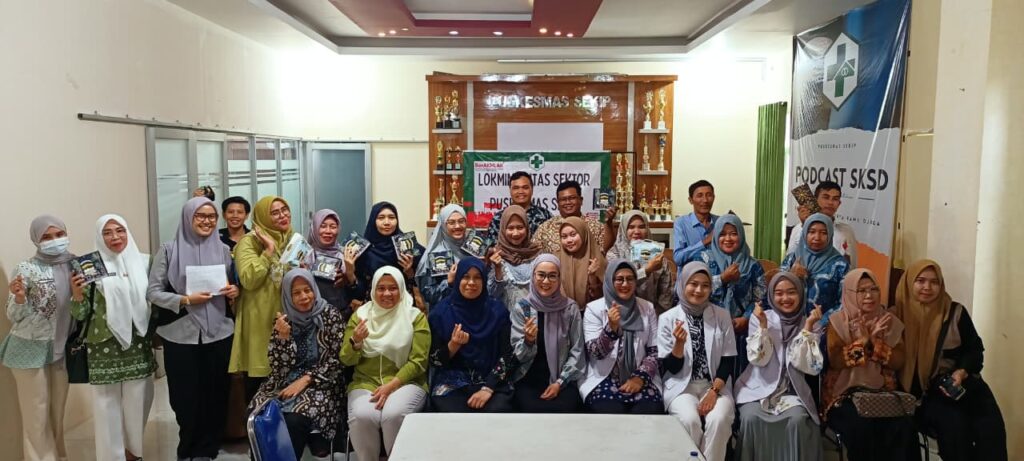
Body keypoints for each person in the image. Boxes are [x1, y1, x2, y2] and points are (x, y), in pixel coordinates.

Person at [146, 197, 239, 460]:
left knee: (216, 393)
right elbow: (153, 292)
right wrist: (186, 300)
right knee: (184, 396)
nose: (207, 221)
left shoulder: (223, 250)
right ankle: (187, 447)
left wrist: (234, 290)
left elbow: (231, 283)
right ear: (188, 218)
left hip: (219, 332)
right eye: (200, 216)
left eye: (211, 217)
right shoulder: (168, 250)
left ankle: (208, 448)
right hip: (181, 334)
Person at [893, 260, 1007, 461]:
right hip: (925, 396)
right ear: (909, 282)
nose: (927, 287)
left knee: (990, 426)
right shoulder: (895, 316)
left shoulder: (955, 312)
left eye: (934, 282)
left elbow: (974, 350)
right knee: (955, 427)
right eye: (920, 281)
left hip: (962, 385)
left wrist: (961, 371)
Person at [70, 215, 156, 461]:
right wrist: (77, 295)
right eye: (107, 233)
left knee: (139, 400)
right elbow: (81, 314)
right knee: (106, 404)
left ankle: (134, 452)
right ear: (99, 236)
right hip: (102, 344)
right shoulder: (89, 265)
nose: (115, 237)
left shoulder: (144, 262)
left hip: (138, 341)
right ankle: (111, 456)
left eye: (120, 230)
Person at [1, 215, 76, 461]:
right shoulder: (26, 268)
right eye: (47, 237)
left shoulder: (77, 265)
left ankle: (57, 455)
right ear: (36, 240)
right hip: (28, 347)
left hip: (61, 347)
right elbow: (13, 315)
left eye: (59, 234)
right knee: (36, 413)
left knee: (57, 410)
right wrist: (19, 298)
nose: (55, 240)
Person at [248, 269, 345, 460]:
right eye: (296, 293)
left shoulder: (330, 315)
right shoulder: (284, 320)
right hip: (284, 382)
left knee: (294, 420)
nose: (304, 297)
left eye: (307, 290)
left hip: (322, 383)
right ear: (288, 296)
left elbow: (337, 360)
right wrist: (283, 339)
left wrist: (306, 379)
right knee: (257, 413)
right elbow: (278, 368)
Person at [823, 269, 915, 461]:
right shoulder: (837, 322)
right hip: (844, 396)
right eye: (861, 290)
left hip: (882, 393)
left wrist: (876, 343)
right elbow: (836, 361)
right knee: (861, 426)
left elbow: (899, 361)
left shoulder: (890, 322)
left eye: (874, 289)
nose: (869, 296)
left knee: (904, 425)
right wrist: (863, 340)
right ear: (849, 293)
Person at [341, 266, 430, 461]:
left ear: (401, 289)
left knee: (394, 414)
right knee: (362, 416)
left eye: (393, 288)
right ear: (373, 290)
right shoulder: (360, 316)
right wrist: (356, 342)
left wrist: (391, 386)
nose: (387, 293)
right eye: (381, 288)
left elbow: (419, 361)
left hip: (406, 382)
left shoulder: (415, 317)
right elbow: (346, 359)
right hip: (366, 382)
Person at [734, 272, 824, 461]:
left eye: (791, 292)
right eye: (779, 293)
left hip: (792, 391)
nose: (785, 298)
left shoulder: (810, 323)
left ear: (800, 294)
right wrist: (763, 326)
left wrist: (807, 328)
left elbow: (809, 366)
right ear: (771, 296)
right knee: (750, 418)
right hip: (758, 388)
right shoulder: (760, 318)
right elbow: (758, 360)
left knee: (797, 420)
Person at [657, 261, 736, 461]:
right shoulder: (667, 318)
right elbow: (671, 368)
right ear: (683, 284)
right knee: (689, 420)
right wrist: (678, 344)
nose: (699, 290)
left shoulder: (722, 315)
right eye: (693, 284)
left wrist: (714, 391)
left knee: (719, 419)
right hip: (682, 386)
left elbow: (728, 360)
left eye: (705, 285)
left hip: (715, 384)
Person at [229, 195, 295, 402]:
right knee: (259, 385)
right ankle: (256, 422)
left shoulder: (292, 238)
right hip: (259, 319)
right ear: (263, 217)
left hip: (286, 317)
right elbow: (249, 280)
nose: (282, 215)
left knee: (286, 384)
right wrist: (268, 252)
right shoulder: (248, 242)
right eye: (274, 213)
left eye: (284, 210)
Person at [427, 258, 516, 412]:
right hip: (453, 382)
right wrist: (453, 346)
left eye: (477, 277)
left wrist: (488, 388)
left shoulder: (497, 312)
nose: (471, 283)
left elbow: (508, 355)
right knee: (451, 412)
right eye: (465, 277)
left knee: (498, 410)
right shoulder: (440, 313)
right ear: (457, 279)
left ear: (484, 280)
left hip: (491, 380)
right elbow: (434, 361)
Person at [581, 259, 663, 414]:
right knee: (610, 413)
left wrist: (640, 378)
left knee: (648, 413)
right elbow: (595, 353)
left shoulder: (647, 308)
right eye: (619, 279)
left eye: (630, 279)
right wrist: (611, 329)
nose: (625, 284)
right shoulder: (594, 309)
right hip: (604, 378)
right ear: (610, 281)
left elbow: (655, 351)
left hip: (641, 377)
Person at [509, 254, 585, 412]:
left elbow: (577, 352)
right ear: (533, 276)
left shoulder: (570, 308)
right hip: (528, 378)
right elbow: (518, 356)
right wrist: (528, 341)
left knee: (566, 408)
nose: (546, 281)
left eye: (552, 276)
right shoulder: (522, 308)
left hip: (562, 379)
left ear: (559, 278)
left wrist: (559, 383)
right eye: (541, 275)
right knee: (530, 410)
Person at [700, 213, 766, 373]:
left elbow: (760, 298)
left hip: (741, 330)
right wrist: (722, 278)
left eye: (733, 234)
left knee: (738, 375)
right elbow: (695, 290)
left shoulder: (753, 265)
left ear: (741, 236)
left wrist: (746, 318)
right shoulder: (703, 260)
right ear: (715, 236)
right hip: (708, 326)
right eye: (722, 234)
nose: (728, 239)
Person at [780, 213, 850, 320]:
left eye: (823, 233)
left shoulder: (840, 265)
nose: (817, 237)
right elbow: (777, 293)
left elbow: (845, 302)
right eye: (812, 232)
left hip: (824, 326)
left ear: (830, 235)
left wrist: (821, 323)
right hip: (789, 323)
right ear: (804, 233)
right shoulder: (791, 259)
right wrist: (791, 276)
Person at [354, 202, 424, 303]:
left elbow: (424, 283)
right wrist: (350, 269)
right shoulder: (364, 250)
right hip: (373, 305)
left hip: (403, 304)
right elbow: (358, 291)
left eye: (391, 217)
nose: (387, 222)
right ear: (373, 221)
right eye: (381, 218)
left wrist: (410, 272)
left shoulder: (408, 247)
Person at [606, 210, 673, 314]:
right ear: (624, 229)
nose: (637, 231)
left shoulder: (656, 254)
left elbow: (666, 292)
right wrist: (647, 270)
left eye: (641, 227)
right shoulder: (614, 255)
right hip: (622, 312)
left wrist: (656, 316)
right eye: (631, 227)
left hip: (653, 314)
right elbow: (618, 285)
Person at [786, 181, 858, 266]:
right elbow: (790, 262)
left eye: (835, 199)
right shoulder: (799, 229)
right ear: (815, 199)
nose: (830, 202)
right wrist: (805, 227)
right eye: (826, 197)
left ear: (839, 203)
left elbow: (852, 264)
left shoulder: (846, 231)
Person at [532, 180, 615, 254]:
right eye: (563, 199)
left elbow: (605, 248)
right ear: (557, 203)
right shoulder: (545, 228)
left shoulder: (596, 226)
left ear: (581, 200)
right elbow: (533, 255)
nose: (568, 202)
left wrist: (608, 223)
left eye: (572, 198)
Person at [304, 208, 358, 320]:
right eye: (323, 226)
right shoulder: (305, 255)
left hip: (340, 316)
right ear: (314, 228)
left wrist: (348, 277)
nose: (328, 231)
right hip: (311, 316)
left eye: (333, 227)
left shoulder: (345, 255)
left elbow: (355, 293)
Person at [488, 205, 543, 311]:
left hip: (535, 316)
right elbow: (493, 294)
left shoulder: (537, 253)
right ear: (503, 229)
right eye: (510, 228)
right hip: (506, 318)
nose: (516, 233)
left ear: (527, 228)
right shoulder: (496, 256)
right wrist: (498, 269)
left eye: (520, 227)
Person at [415, 204, 472, 307]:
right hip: (445, 312)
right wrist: (448, 282)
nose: (457, 226)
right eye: (451, 222)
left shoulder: (473, 251)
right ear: (443, 225)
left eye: (461, 221)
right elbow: (428, 295)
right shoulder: (435, 254)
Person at [485, 171, 553, 242]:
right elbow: (491, 245)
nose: (520, 191)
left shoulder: (545, 215)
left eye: (525, 187)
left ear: (532, 189)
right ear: (510, 190)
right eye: (516, 188)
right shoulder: (499, 218)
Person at [555, 217, 607, 310]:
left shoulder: (597, 260)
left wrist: (592, 278)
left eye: (573, 235)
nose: (569, 240)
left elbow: (603, 298)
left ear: (583, 234)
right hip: (561, 313)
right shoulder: (555, 260)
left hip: (591, 314)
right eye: (564, 236)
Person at [672, 180, 718, 266]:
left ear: (714, 198)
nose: (705, 200)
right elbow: (678, 258)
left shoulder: (719, 222)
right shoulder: (681, 223)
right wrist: (705, 241)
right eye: (700, 196)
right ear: (690, 200)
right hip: (690, 273)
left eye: (709, 195)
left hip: (718, 274)